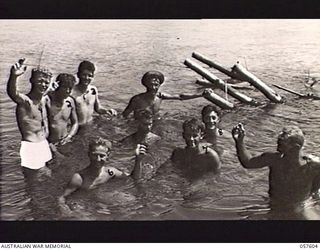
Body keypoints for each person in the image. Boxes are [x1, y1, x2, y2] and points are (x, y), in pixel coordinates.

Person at [232, 123, 320, 219]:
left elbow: (316, 187)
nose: (277, 148)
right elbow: (248, 163)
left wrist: (310, 200)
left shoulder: (313, 166)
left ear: (296, 147)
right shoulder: (274, 159)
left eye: (282, 145)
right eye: (278, 143)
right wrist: (239, 142)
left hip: (300, 205)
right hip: (274, 203)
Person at [58, 137, 146, 213]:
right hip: (83, 203)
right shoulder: (79, 178)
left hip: (99, 198)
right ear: (88, 155)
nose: (98, 159)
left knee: (133, 201)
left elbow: (133, 178)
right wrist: (67, 212)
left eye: (102, 156)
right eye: (94, 155)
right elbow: (62, 198)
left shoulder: (110, 172)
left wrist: (138, 160)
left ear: (108, 156)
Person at [6, 58, 53, 177]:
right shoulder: (25, 102)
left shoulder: (42, 99)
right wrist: (14, 76)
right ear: (31, 80)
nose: (43, 85)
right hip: (32, 147)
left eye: (46, 82)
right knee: (35, 182)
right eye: (40, 81)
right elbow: (13, 93)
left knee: (47, 177)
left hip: (43, 144)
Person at [122, 70, 203, 120]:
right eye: (151, 82)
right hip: (139, 124)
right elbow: (124, 115)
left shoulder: (160, 96)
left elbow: (180, 97)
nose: (154, 84)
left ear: (160, 85)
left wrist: (201, 95)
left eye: (157, 83)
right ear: (145, 84)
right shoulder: (137, 99)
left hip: (154, 122)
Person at [71, 60, 117, 126]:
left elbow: (98, 108)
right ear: (78, 75)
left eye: (89, 75)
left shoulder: (93, 90)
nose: (86, 78)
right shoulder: (72, 93)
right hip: (77, 128)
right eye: (84, 75)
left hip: (90, 125)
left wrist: (107, 111)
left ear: (93, 77)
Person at [46, 73, 78, 145]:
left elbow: (75, 123)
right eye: (64, 87)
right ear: (58, 86)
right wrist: (49, 89)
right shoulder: (47, 100)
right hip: (50, 142)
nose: (67, 91)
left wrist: (69, 136)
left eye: (70, 88)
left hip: (65, 140)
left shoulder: (70, 101)